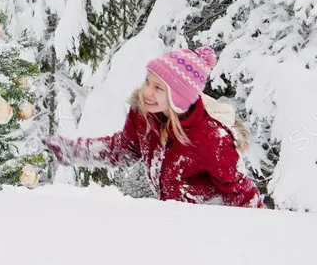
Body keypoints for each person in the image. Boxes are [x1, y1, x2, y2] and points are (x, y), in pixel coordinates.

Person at [46, 46, 263, 208]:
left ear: (179, 96)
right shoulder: (144, 116)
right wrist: (75, 150)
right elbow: (124, 149)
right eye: (148, 82)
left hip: (208, 225)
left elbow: (242, 194)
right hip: (172, 220)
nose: (147, 92)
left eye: (158, 88)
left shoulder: (211, 138)